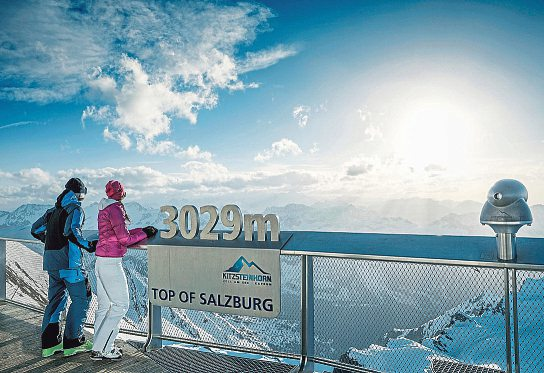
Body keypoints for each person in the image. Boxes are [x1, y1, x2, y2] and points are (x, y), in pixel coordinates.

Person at [31, 178, 98, 358]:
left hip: (52, 264)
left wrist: (51, 242)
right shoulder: (75, 209)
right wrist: (89, 245)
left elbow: (35, 230)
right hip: (70, 264)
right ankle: (73, 342)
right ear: (79, 194)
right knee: (82, 298)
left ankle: (50, 344)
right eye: (82, 195)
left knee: (56, 301)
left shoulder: (52, 212)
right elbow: (72, 232)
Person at [91, 180, 157, 360]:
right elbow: (124, 240)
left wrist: (141, 230)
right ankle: (102, 349)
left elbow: (117, 232)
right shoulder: (116, 209)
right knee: (121, 306)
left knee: (105, 307)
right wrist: (146, 234)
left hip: (101, 261)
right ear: (121, 193)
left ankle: (100, 344)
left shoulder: (104, 208)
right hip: (111, 263)